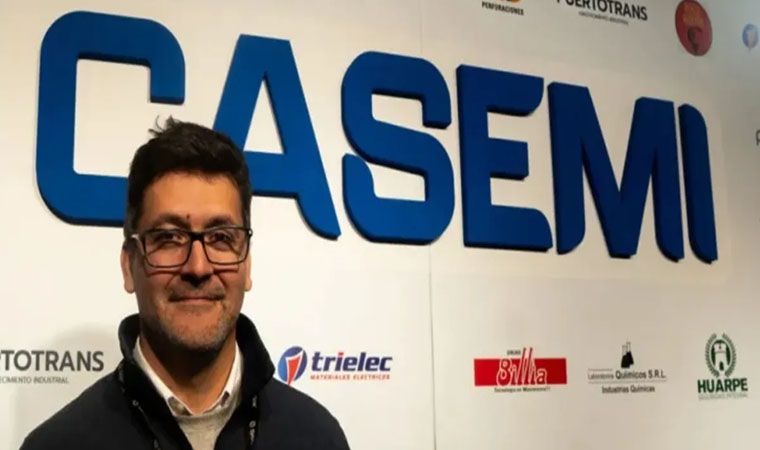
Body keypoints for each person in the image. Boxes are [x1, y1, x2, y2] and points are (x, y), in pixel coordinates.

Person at [21, 118, 350, 450]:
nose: (198, 267)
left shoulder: (318, 437)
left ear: (247, 264)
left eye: (221, 238)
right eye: (168, 238)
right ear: (128, 265)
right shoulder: (57, 445)